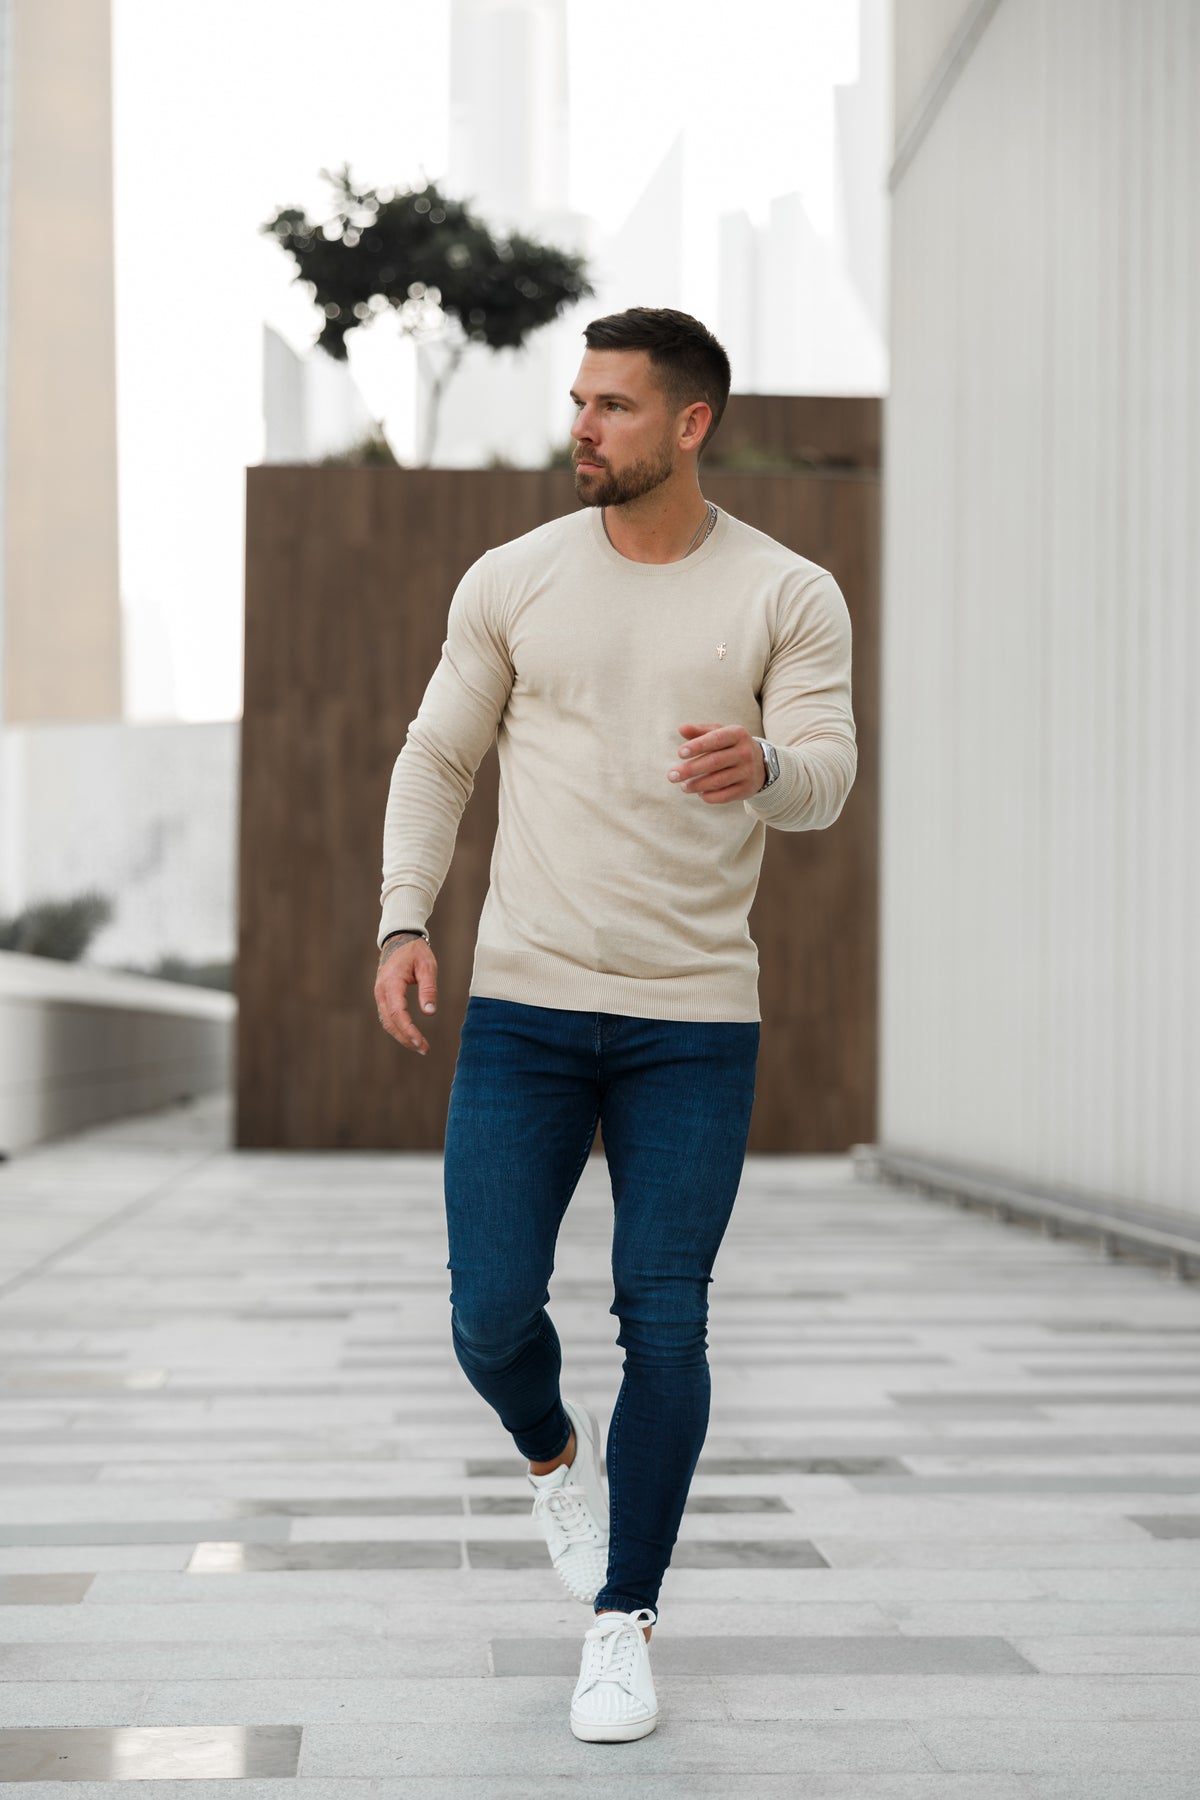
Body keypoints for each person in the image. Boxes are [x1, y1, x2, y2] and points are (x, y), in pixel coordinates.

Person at [374, 306, 857, 1743]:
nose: (581, 426)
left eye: (614, 406)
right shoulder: (515, 578)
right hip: (525, 1007)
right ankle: (550, 1455)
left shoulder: (788, 593)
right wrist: (404, 918)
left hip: (694, 1019)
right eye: (579, 400)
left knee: (667, 1316)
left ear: (691, 423)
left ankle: (622, 1617)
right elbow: (438, 755)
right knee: (487, 1311)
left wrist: (766, 765)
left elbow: (827, 772)